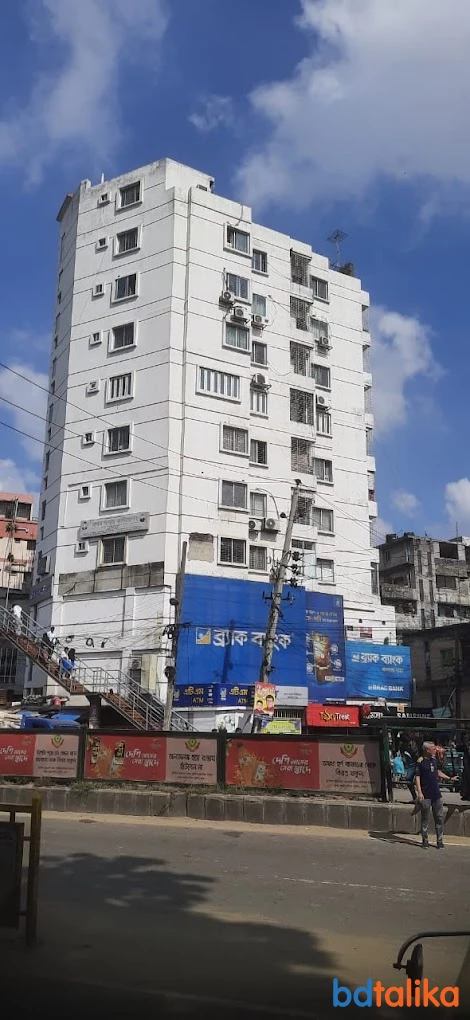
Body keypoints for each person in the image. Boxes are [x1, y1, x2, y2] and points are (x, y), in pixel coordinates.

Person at [415, 741, 458, 849]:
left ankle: (440, 840)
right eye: (433, 749)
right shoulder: (421, 761)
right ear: (427, 750)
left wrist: (449, 778)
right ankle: (425, 840)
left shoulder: (434, 760)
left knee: (439, 818)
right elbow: (417, 777)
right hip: (426, 794)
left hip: (436, 794)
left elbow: (437, 772)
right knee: (425, 818)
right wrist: (419, 792)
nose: (435, 750)